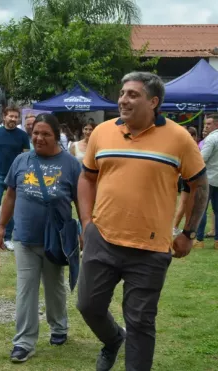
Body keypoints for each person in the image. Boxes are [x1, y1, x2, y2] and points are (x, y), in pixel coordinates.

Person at [77, 72, 208, 371]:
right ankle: (112, 340)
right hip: (103, 238)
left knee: (140, 322)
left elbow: (200, 185)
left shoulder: (179, 138)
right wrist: (87, 221)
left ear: (154, 101)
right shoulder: (102, 132)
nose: (123, 99)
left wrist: (188, 232)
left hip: (150, 249)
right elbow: (86, 177)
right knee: (88, 306)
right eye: (122, 93)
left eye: (133, 94)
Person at [0, 113, 81, 363]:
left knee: (55, 286)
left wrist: (87, 228)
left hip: (56, 239)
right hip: (24, 238)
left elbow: (81, 199)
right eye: (35, 133)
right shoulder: (22, 160)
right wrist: (1, 226)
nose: (39, 138)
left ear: (57, 136)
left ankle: (59, 327)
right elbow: (10, 194)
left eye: (45, 134)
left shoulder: (71, 164)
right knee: (26, 289)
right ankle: (24, 342)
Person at [0, 106, 30, 251]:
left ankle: (8, 237)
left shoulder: (22, 135)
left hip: (15, 176)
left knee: (11, 208)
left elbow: (26, 156)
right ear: (4, 117)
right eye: (11, 116)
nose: (13, 119)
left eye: (16, 117)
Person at [194, 115, 218, 250]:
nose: (206, 126)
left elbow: (201, 158)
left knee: (201, 209)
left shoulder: (211, 138)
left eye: (209, 124)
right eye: (206, 124)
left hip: (208, 177)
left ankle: (199, 240)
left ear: (217, 124)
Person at [173, 126, 199, 234]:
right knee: (185, 203)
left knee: (186, 204)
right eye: (190, 135)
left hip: (189, 177)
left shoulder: (190, 146)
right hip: (188, 177)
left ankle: (177, 227)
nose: (192, 137)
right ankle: (176, 227)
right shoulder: (189, 147)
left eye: (193, 135)